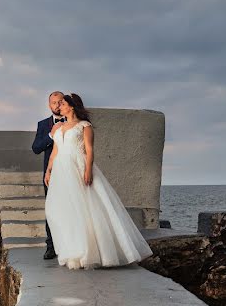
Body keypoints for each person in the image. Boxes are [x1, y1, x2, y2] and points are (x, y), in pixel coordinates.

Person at [44, 93, 153, 270]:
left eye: (62, 104)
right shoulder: (58, 128)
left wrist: (88, 170)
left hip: (77, 167)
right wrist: (49, 170)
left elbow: (89, 150)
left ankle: (88, 253)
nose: (59, 107)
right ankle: (73, 250)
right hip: (61, 172)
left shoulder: (84, 126)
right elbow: (55, 151)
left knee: (84, 208)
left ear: (71, 106)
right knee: (60, 209)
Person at [31, 91, 66, 260]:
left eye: (60, 102)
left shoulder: (74, 122)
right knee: (51, 210)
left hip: (71, 171)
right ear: (49, 105)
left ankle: (69, 245)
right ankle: (51, 246)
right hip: (51, 174)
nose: (57, 106)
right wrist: (51, 134)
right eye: (54, 103)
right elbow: (36, 148)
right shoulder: (43, 124)